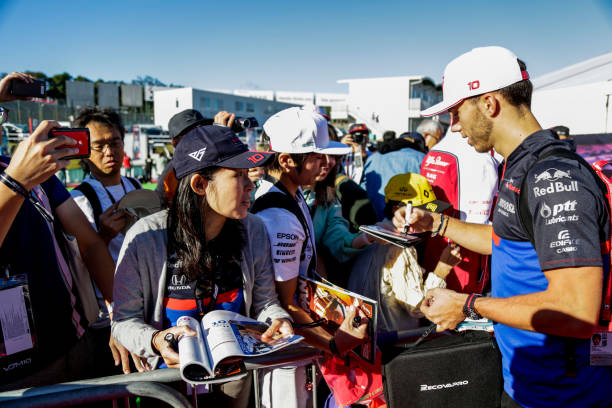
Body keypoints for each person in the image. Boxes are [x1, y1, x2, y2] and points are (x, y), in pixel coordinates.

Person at [394, 46, 612, 408]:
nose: (456, 125)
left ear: (490, 104)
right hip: (526, 379)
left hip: (562, 393)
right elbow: (506, 241)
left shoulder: (553, 176)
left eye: (457, 112)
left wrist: (469, 306)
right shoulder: (519, 163)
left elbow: (576, 311)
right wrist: (435, 222)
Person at [112, 125, 292, 407]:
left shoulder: (253, 229)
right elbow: (123, 322)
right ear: (199, 185)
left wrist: (278, 320)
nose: (251, 185)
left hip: (235, 381)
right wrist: (156, 340)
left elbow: (265, 303)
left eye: (250, 175)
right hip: (167, 387)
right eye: (238, 176)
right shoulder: (145, 238)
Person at [0, 72, 116, 390]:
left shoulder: (24, 168)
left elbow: (89, 243)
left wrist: (123, 316)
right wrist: (16, 182)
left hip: (75, 345)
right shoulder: (18, 173)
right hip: (15, 380)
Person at [252, 107, 368, 408]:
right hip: (284, 348)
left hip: (296, 341)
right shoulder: (279, 215)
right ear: (287, 160)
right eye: (317, 156)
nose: (327, 163)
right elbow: (283, 302)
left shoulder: (292, 193)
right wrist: (332, 341)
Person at [70, 107, 143, 375]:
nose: (109, 151)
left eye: (114, 142)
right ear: (84, 151)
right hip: (105, 318)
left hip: (141, 306)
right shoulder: (80, 198)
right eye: (99, 146)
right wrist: (102, 237)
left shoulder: (135, 186)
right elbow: (77, 263)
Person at [348, 173, 460, 332]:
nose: (429, 218)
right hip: (393, 341)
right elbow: (418, 308)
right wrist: (442, 269)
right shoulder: (399, 247)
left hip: (367, 333)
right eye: (422, 212)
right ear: (398, 210)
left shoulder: (373, 233)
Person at [419, 129, 499, 293]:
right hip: (462, 263)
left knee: (432, 308)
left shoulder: (433, 152)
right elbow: (482, 233)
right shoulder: (479, 159)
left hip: (436, 254)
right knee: (460, 314)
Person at [361, 129, 426, 220]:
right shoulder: (422, 158)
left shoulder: (373, 157)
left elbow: (363, 188)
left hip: (372, 222)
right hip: (406, 224)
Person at [155, 109, 212, 207]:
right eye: (191, 133)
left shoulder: (209, 160)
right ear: (175, 143)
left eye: (202, 130)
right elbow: (158, 207)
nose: (199, 136)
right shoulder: (171, 173)